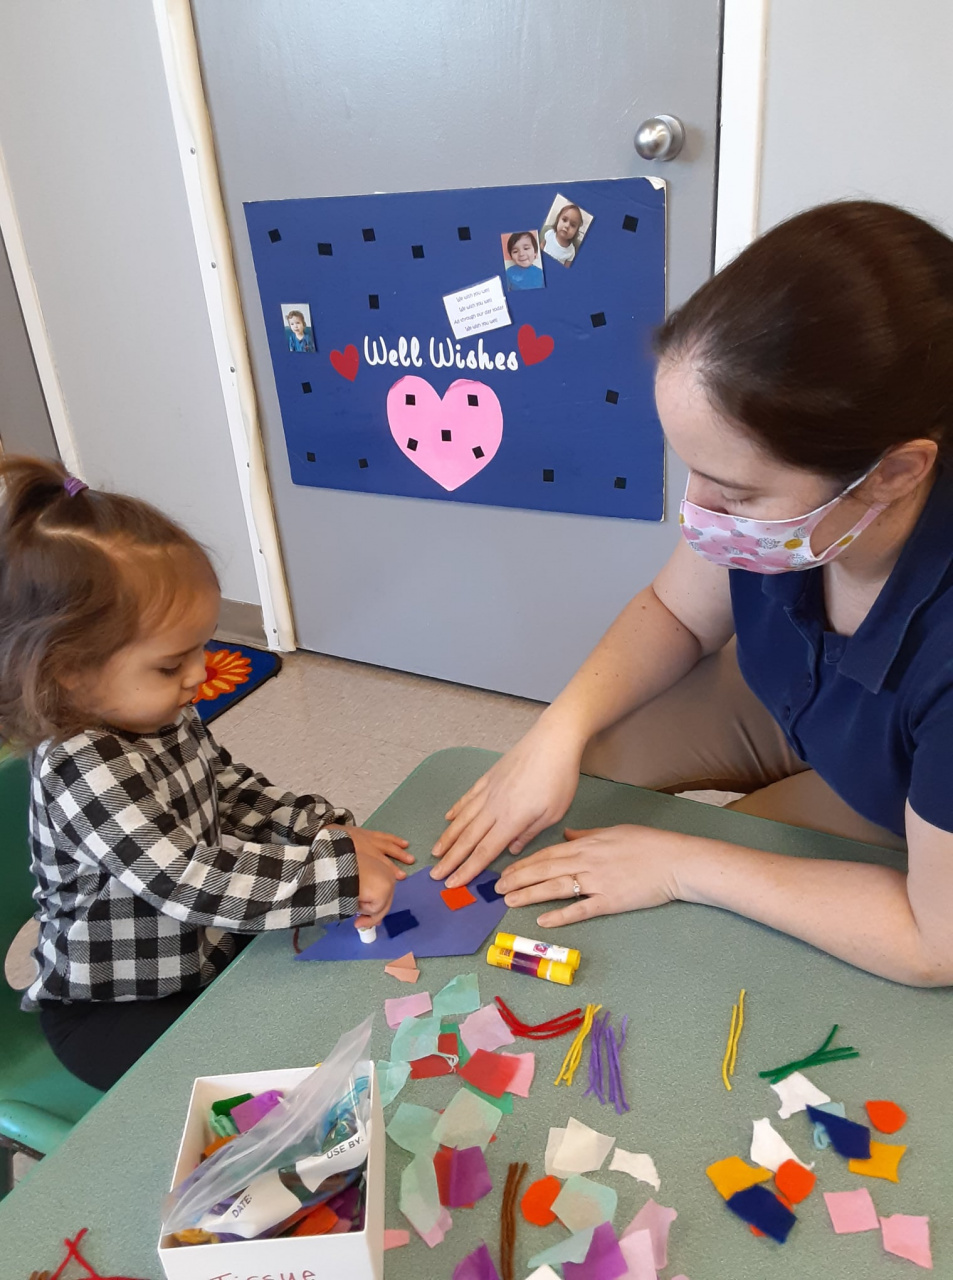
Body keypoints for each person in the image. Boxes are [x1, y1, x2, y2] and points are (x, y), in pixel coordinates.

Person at [431, 200, 953, 988]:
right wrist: (555, 734)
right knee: (578, 780)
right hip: (802, 704)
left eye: (736, 494)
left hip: (905, 796)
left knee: (688, 897)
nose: (698, 512)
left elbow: (932, 944)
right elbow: (677, 611)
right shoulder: (807, 498)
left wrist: (684, 863)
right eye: (690, 468)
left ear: (893, 473)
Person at [0, 457, 412, 1089]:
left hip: (205, 954)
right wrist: (339, 874)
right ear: (68, 672)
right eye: (171, 664)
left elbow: (227, 790)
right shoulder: (81, 763)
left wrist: (319, 827)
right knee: (250, 1094)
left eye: (202, 646)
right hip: (114, 1009)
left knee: (326, 1009)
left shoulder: (159, 711)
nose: (198, 675)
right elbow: (187, 880)